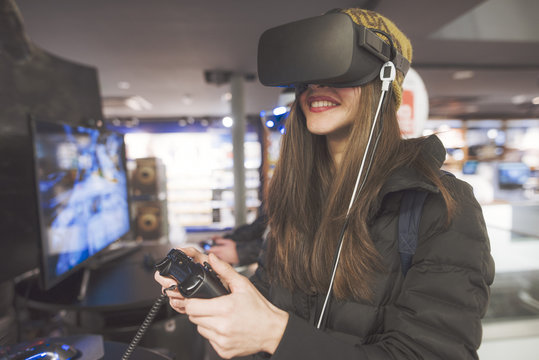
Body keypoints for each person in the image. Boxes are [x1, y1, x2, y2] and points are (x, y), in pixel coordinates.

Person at [155, 7, 495, 360]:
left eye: (339, 70)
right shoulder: (298, 197)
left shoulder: (439, 204)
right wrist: (216, 288)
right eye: (309, 75)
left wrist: (276, 335)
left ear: (385, 80)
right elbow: (266, 309)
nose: (317, 85)